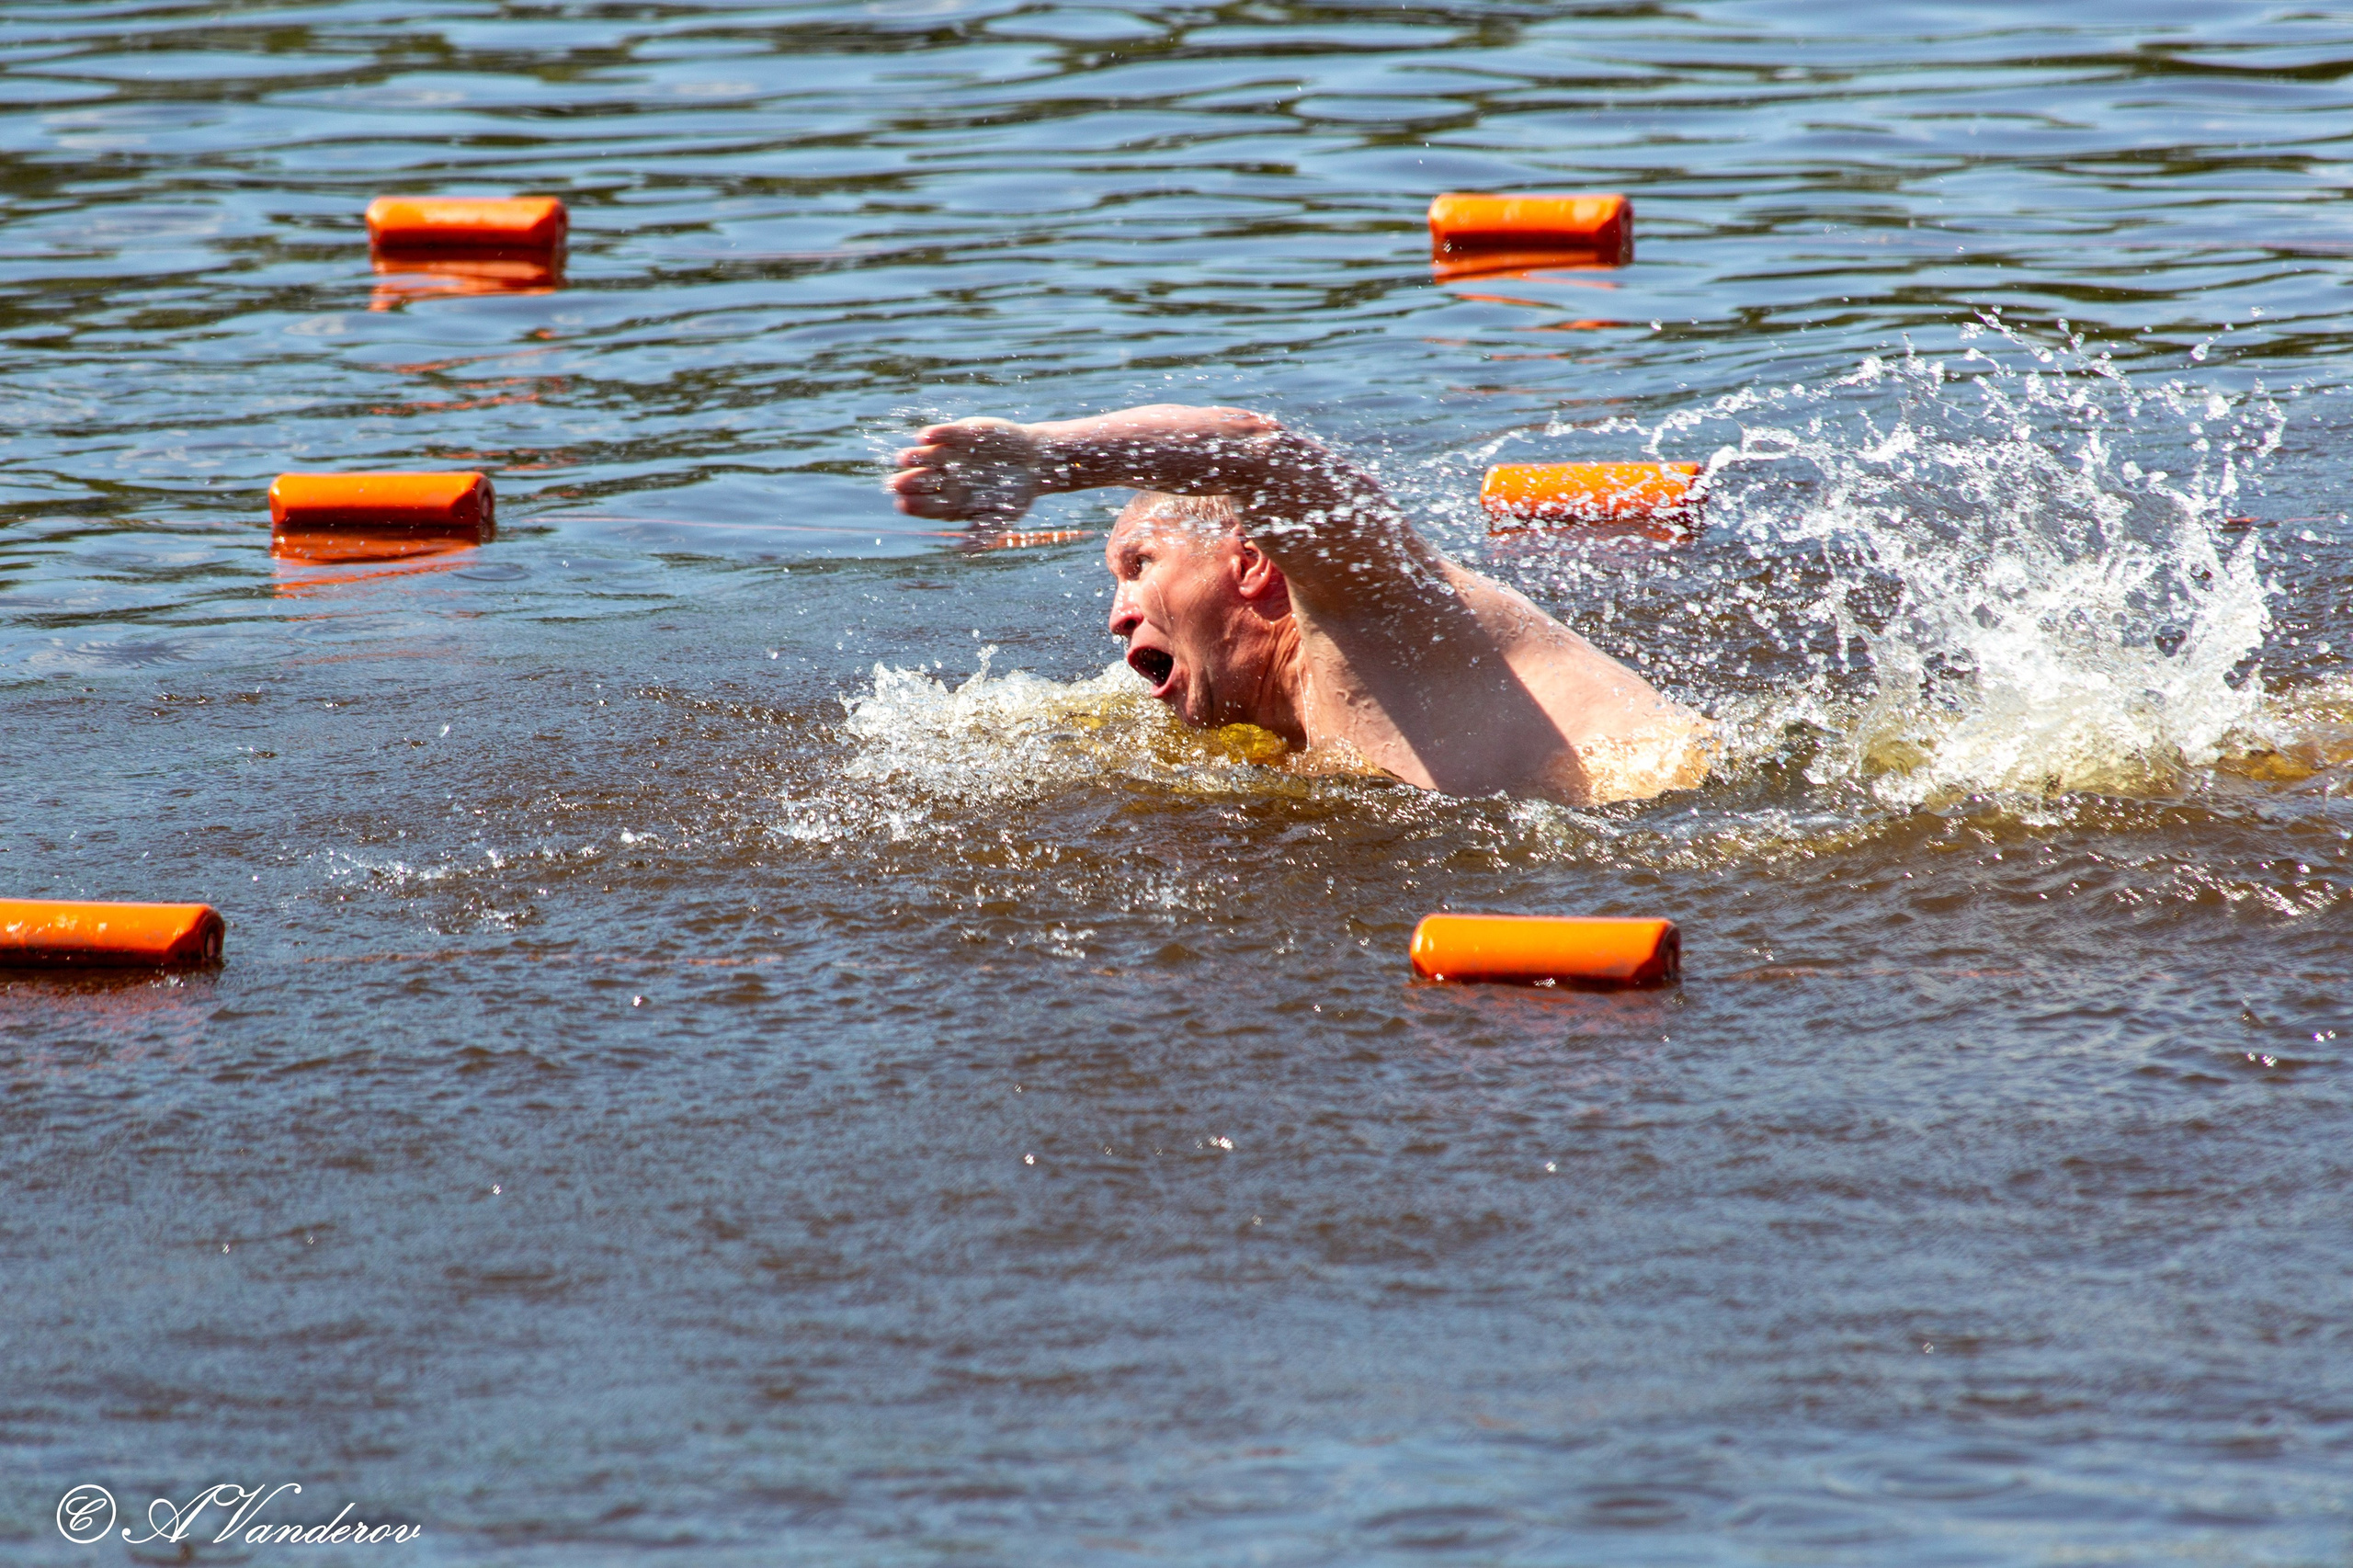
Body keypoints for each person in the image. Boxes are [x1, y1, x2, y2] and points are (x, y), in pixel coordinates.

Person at [887, 403, 1711, 805]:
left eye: (1139, 565)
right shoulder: (1289, 706)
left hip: (1686, 838)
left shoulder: (1364, 621)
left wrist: (1048, 458)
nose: (1117, 614)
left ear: (1252, 565)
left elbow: (1261, 453)